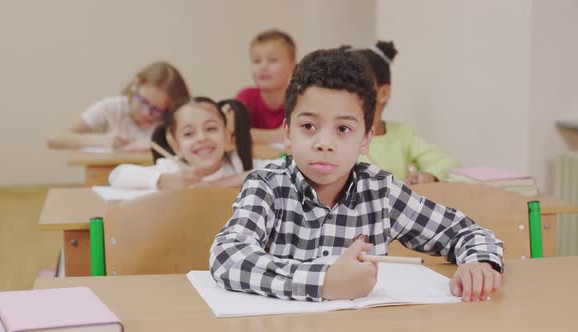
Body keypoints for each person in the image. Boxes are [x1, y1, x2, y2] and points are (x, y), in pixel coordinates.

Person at [210, 48, 503, 303]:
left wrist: (479, 263)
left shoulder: (380, 191)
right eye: (309, 126)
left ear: (365, 140)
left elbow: (467, 233)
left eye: (343, 129)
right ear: (288, 132)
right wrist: (324, 281)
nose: (324, 142)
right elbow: (227, 255)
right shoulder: (267, 185)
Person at [351, 41, 458, 184]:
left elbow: (448, 164)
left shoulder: (404, 134)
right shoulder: (342, 139)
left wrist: (427, 176)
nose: (349, 93)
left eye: (358, 85)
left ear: (383, 93)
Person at [109, 97, 269, 190]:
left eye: (211, 128)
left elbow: (286, 167)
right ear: (176, 146)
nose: (201, 138)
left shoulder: (237, 165)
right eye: (188, 134)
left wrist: (219, 185)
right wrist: (163, 180)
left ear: (228, 137)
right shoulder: (172, 170)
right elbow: (117, 176)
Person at [47, 61, 189, 151]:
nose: (147, 113)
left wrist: (155, 144)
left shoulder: (172, 118)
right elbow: (54, 139)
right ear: (136, 83)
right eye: (144, 102)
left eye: (157, 110)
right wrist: (103, 141)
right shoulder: (111, 108)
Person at [236, 29, 296, 145]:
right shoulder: (246, 97)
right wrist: (277, 135)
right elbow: (231, 133)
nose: (263, 67)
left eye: (273, 60)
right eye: (257, 61)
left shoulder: (299, 99)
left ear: (292, 67)